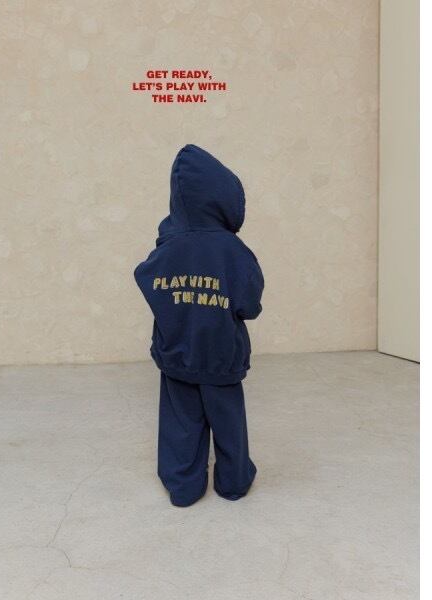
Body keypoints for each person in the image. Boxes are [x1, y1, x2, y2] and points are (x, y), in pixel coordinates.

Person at [134, 144, 264, 507]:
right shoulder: (234, 251)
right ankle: (233, 481)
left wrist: (175, 306)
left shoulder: (168, 247)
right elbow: (250, 305)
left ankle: (183, 487)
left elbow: (145, 277)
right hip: (222, 358)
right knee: (229, 424)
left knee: (180, 424)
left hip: (176, 355)